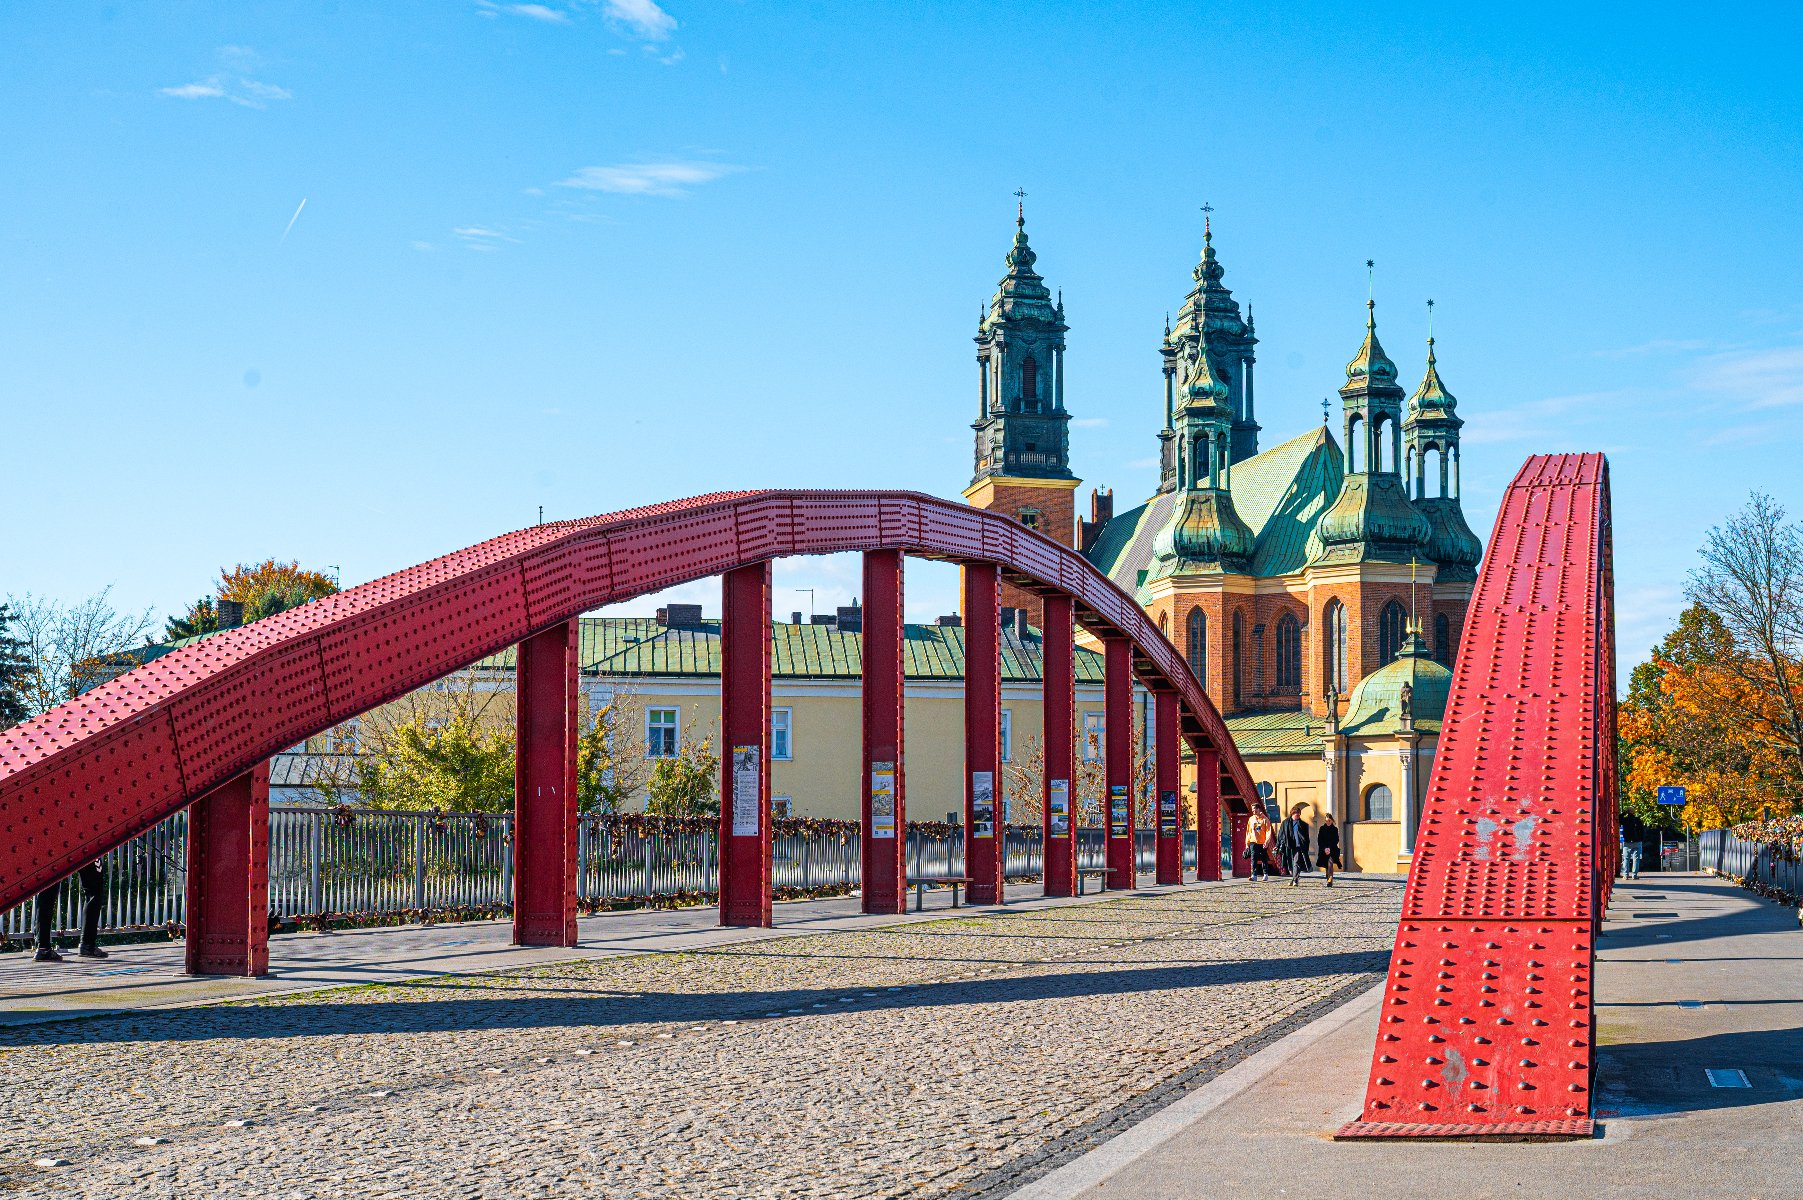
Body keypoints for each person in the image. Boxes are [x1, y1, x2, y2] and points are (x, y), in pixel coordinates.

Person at [33, 860, 108, 963]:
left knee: (47, 890)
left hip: (53, 848)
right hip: (83, 846)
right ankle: (87, 945)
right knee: (94, 890)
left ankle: (43, 948)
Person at [1277, 803, 1311, 886]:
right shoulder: (1285, 823)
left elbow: (1306, 837)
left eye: (1299, 813)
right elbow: (1281, 834)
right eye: (1296, 813)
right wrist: (1278, 845)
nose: (1298, 815)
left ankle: (1295, 880)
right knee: (1290, 865)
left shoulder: (1303, 824)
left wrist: (1306, 847)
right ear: (1292, 813)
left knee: (1296, 862)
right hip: (1288, 846)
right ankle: (1294, 878)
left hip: (1299, 846)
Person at [1246, 810, 1274, 880]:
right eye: (1252, 810)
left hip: (1262, 842)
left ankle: (1265, 874)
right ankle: (1254, 875)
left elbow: (1268, 831)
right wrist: (1247, 842)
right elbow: (1248, 831)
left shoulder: (1265, 819)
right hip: (1253, 841)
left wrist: (1267, 841)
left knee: (1264, 858)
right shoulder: (1251, 819)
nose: (1253, 811)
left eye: (1254, 809)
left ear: (1258, 809)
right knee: (1253, 858)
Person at [1316, 813, 1343, 887]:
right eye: (1327, 821)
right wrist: (1324, 848)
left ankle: (1330, 879)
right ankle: (1328, 877)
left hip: (1332, 849)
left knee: (1330, 863)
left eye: (1329, 821)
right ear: (1325, 821)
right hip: (1323, 850)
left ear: (1332, 821)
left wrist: (1329, 848)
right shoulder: (1322, 828)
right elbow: (1319, 840)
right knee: (1326, 865)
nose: (1328, 822)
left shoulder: (1335, 829)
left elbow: (1336, 840)